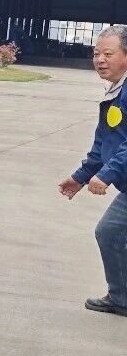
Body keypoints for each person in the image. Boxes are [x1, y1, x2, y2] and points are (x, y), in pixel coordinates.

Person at [60, 24, 127, 317]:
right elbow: (105, 142)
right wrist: (81, 177)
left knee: (110, 231)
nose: (100, 60)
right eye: (96, 53)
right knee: (111, 232)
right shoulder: (116, 91)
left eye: (108, 54)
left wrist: (107, 175)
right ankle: (121, 297)